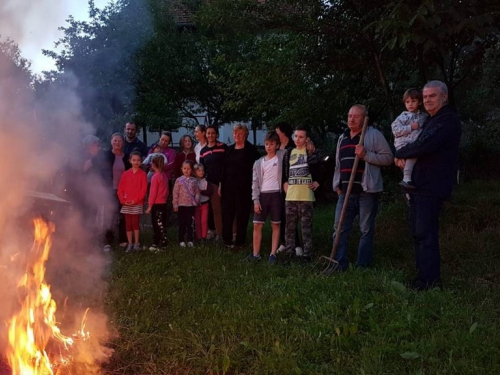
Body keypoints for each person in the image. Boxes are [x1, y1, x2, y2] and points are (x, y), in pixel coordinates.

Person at [395, 80, 461, 291]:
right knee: (418, 232)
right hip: (419, 186)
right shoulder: (430, 121)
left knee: (425, 233)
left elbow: (425, 145)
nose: (427, 100)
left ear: (444, 97)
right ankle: (422, 277)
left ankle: (430, 282)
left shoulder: (447, 120)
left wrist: (400, 153)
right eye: (425, 97)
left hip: (431, 186)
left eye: (432, 96)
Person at [331, 104, 393, 271]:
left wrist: (366, 155)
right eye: (350, 116)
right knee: (339, 229)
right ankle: (339, 263)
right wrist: (337, 184)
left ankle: (362, 265)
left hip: (367, 192)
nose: (351, 119)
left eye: (356, 116)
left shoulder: (373, 135)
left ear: (365, 118)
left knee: (365, 229)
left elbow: (388, 158)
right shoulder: (342, 138)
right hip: (345, 192)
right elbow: (338, 165)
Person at [282, 125, 321, 262]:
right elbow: (284, 171)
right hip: (291, 196)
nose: (297, 139)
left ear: (306, 139)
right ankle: (289, 253)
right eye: (296, 136)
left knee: (306, 227)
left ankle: (307, 254)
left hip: (306, 196)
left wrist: (318, 181)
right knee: (289, 227)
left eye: (301, 137)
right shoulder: (289, 153)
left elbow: (320, 169)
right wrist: (284, 183)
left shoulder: (310, 153)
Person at [221, 124, 261, 248]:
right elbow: (224, 168)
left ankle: (240, 241)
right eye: (235, 134)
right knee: (227, 214)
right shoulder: (229, 149)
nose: (236, 136)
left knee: (242, 215)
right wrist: (220, 185)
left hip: (244, 188)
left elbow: (257, 168)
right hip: (228, 187)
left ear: (245, 135)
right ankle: (227, 240)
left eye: (239, 133)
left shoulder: (251, 150)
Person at [248, 131, 284, 264]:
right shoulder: (258, 163)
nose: (269, 147)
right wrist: (256, 200)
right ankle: (255, 254)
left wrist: (308, 143)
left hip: (276, 195)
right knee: (257, 224)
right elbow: (255, 183)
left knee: (275, 224)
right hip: (263, 195)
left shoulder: (281, 157)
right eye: (267, 144)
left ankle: (273, 254)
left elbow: (292, 149)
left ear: (277, 145)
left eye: (272, 144)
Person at [81, 135, 114, 251]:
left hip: (104, 189)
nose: (98, 146)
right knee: (91, 216)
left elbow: (110, 159)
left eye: (97, 144)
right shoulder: (83, 156)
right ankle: (92, 241)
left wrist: (92, 161)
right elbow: (81, 170)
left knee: (105, 216)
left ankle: (106, 241)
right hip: (89, 191)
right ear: (88, 146)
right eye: (95, 144)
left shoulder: (104, 154)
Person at [391, 89, 428, 188]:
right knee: (411, 156)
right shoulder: (403, 116)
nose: (410, 104)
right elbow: (395, 129)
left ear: (419, 102)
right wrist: (410, 127)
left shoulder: (424, 116)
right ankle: (406, 179)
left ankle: (408, 185)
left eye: (413, 101)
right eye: (407, 102)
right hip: (403, 143)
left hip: (415, 144)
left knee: (413, 158)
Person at [200, 125, 227, 241]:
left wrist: (223, 181)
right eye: (208, 133)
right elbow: (202, 169)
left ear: (216, 134)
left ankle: (233, 232)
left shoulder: (223, 147)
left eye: (213, 133)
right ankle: (219, 233)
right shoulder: (203, 151)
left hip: (225, 181)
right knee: (216, 209)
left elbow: (227, 165)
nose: (210, 135)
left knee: (228, 208)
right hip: (212, 183)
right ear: (205, 135)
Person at [117, 151, 148, 252]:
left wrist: (136, 200)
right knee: (128, 224)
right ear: (130, 161)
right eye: (134, 160)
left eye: (138, 160)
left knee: (135, 223)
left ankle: (136, 243)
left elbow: (143, 190)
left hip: (137, 203)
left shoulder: (143, 174)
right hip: (126, 203)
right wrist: (123, 200)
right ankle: (130, 243)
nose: (136, 162)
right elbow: (120, 188)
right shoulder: (125, 174)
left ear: (141, 161)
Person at [106, 133, 131, 248]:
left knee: (123, 215)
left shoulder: (126, 158)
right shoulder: (106, 156)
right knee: (109, 215)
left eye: (119, 141)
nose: (117, 143)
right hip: (109, 190)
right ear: (111, 141)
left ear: (123, 143)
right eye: (115, 140)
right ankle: (107, 241)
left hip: (123, 191)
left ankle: (122, 239)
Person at [172, 160, 200, 247]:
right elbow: (175, 193)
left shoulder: (194, 181)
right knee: (182, 223)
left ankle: (190, 240)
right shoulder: (179, 180)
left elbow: (197, 191)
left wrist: (196, 199)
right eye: (184, 168)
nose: (186, 170)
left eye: (188, 168)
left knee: (190, 223)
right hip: (181, 205)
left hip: (190, 205)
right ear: (181, 169)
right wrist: (175, 204)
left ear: (191, 170)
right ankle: (181, 240)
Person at [145, 154, 169, 252]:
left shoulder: (155, 177)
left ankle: (156, 243)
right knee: (162, 223)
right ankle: (163, 242)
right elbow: (167, 191)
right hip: (163, 203)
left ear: (154, 164)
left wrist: (150, 206)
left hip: (157, 204)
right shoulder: (164, 175)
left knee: (157, 224)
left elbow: (153, 193)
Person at [193, 163, 211, 243]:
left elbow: (209, 192)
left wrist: (201, 191)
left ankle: (204, 237)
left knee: (204, 221)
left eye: (202, 170)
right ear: (195, 172)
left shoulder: (206, 182)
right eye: (199, 170)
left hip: (205, 204)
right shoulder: (193, 181)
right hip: (196, 205)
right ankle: (198, 237)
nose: (201, 172)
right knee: (197, 221)